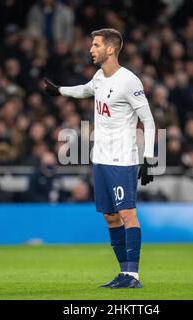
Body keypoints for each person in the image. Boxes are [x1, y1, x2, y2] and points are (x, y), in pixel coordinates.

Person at [43, 28, 156, 289]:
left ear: (110, 49)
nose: (91, 49)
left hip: (123, 160)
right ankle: (123, 272)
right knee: (110, 216)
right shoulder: (99, 77)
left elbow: (148, 121)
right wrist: (59, 90)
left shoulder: (129, 81)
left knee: (127, 213)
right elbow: (85, 90)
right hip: (101, 159)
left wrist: (148, 158)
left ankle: (134, 276)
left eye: (95, 45)